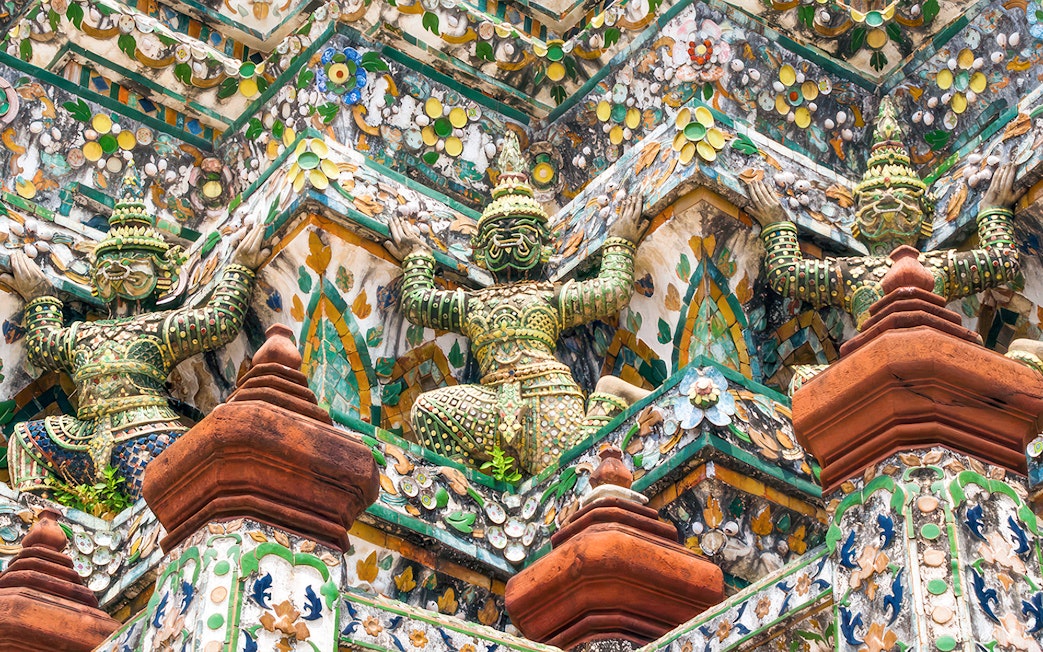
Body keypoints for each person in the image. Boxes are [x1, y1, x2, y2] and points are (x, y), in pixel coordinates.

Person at [386, 133, 651, 474]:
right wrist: (417, 258)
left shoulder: (551, 297)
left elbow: (612, 291)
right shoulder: (471, 304)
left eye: (521, 231)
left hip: (548, 397)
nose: (509, 239)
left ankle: (610, 396)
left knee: (567, 475)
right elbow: (418, 303)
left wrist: (619, 242)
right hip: (493, 403)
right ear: (481, 251)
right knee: (427, 409)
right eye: (498, 234)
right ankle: (463, 483)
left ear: (544, 246)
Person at [3, 166, 267, 499]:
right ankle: (42, 514)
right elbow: (44, 346)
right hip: (84, 434)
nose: (118, 270)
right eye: (109, 264)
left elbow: (219, 322)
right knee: (26, 438)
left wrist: (240, 269)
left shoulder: (162, 327)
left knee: (152, 503)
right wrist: (40, 297)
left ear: (161, 276)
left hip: (146, 432)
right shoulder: (81, 334)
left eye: (135, 262)